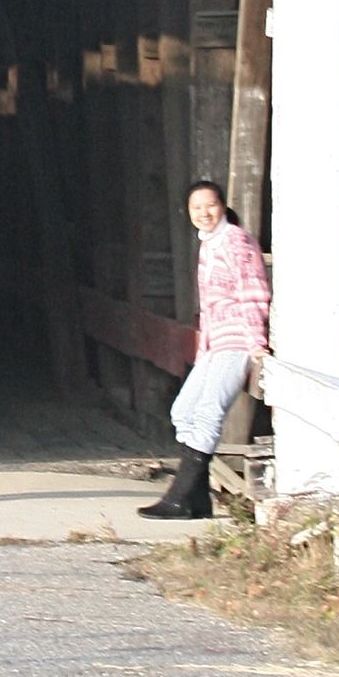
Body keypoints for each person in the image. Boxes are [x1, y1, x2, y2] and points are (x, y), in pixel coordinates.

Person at [139, 177, 271, 520]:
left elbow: (253, 291)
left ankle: (179, 497)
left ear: (223, 205)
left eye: (210, 205)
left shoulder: (237, 242)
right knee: (182, 411)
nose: (204, 213)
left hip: (237, 341)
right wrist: (203, 349)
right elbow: (210, 306)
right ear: (188, 212)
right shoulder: (210, 244)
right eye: (196, 208)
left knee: (209, 412)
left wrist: (257, 343)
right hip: (214, 344)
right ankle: (199, 500)